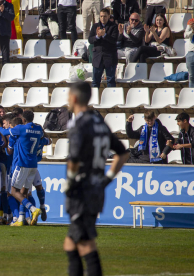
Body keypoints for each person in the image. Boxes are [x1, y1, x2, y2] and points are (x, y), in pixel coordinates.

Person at [64, 82, 128, 276]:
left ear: (74, 98)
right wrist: (107, 178)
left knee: (85, 243)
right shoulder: (99, 122)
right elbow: (123, 154)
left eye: (68, 96)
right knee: (71, 243)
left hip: (81, 190)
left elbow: (74, 158)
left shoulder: (79, 123)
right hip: (96, 188)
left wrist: (70, 179)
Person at [6, 110, 43, 226]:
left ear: (23, 119)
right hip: (33, 165)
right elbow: (45, 137)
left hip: (22, 163)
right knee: (24, 192)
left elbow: (7, 131)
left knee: (13, 191)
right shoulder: (38, 129)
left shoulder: (21, 128)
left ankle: (32, 209)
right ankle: (21, 219)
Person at [88, 8, 118, 88]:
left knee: (110, 81)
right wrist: (97, 36)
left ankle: (111, 100)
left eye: (104, 16)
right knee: (95, 81)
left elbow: (114, 40)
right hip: (98, 57)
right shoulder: (95, 26)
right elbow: (90, 40)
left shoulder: (114, 26)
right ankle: (94, 100)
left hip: (110, 57)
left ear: (108, 16)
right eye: (101, 16)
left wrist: (105, 35)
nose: (102, 18)